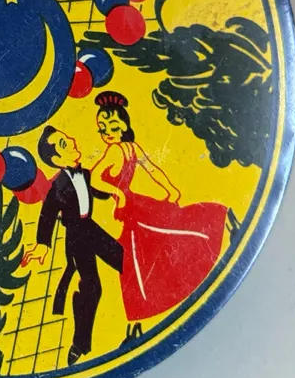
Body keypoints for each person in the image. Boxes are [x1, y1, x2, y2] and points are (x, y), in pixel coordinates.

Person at [90, 91, 227, 342]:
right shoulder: (122, 149)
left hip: (133, 207)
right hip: (132, 206)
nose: (108, 132)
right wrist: (120, 193)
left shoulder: (122, 149)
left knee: (138, 256)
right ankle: (219, 222)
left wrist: (168, 189)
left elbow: (148, 169)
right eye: (102, 128)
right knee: (154, 242)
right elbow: (97, 178)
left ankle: (139, 315)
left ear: (124, 126)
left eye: (113, 125)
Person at [29, 125, 123, 366]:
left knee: (126, 260)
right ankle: (80, 344)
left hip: (91, 228)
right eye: (64, 144)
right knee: (92, 288)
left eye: (67, 137)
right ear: (57, 160)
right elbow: (47, 214)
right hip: (76, 238)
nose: (71, 141)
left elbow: (97, 191)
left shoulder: (86, 174)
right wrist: (42, 244)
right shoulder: (58, 186)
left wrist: (116, 189)